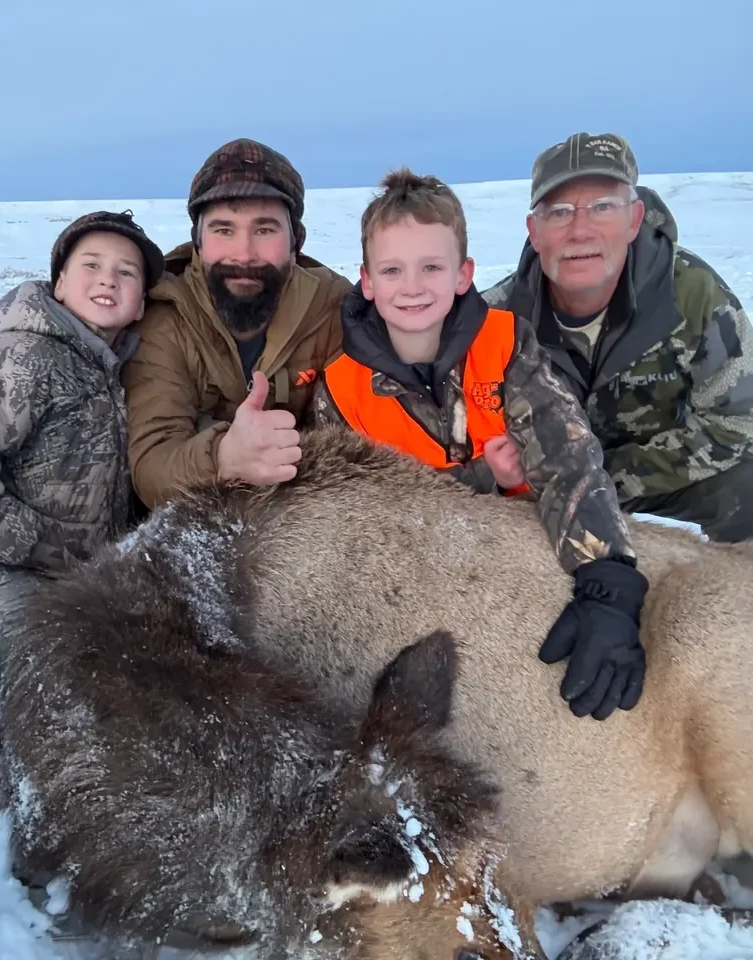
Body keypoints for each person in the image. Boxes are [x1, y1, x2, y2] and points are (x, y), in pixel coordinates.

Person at [314, 168, 648, 723]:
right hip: (411, 575)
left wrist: (607, 582)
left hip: (520, 548)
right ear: (366, 281)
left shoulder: (505, 344)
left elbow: (565, 452)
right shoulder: (339, 388)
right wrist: (479, 477)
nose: (413, 286)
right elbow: (360, 518)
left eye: (431, 267)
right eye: (393, 270)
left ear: (464, 274)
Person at [0, 211, 163, 745]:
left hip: (89, 560)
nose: (108, 279)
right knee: (19, 642)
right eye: (90, 264)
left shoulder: (129, 372)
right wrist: (29, 540)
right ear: (59, 282)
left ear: (142, 302)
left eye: (127, 272)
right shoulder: (19, 358)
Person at [483, 131, 753, 541]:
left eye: (602, 207)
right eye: (559, 212)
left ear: (634, 220)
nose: (580, 231)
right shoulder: (496, 319)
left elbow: (737, 421)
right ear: (534, 232)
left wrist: (608, 475)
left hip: (659, 475)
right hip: (541, 489)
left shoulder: (693, 295)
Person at [122, 138, 352, 509]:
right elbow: (151, 469)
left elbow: (355, 446)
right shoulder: (165, 316)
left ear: (296, 242)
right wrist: (225, 458)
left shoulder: (332, 308)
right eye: (224, 230)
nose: (244, 254)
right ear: (197, 243)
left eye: (264, 230)